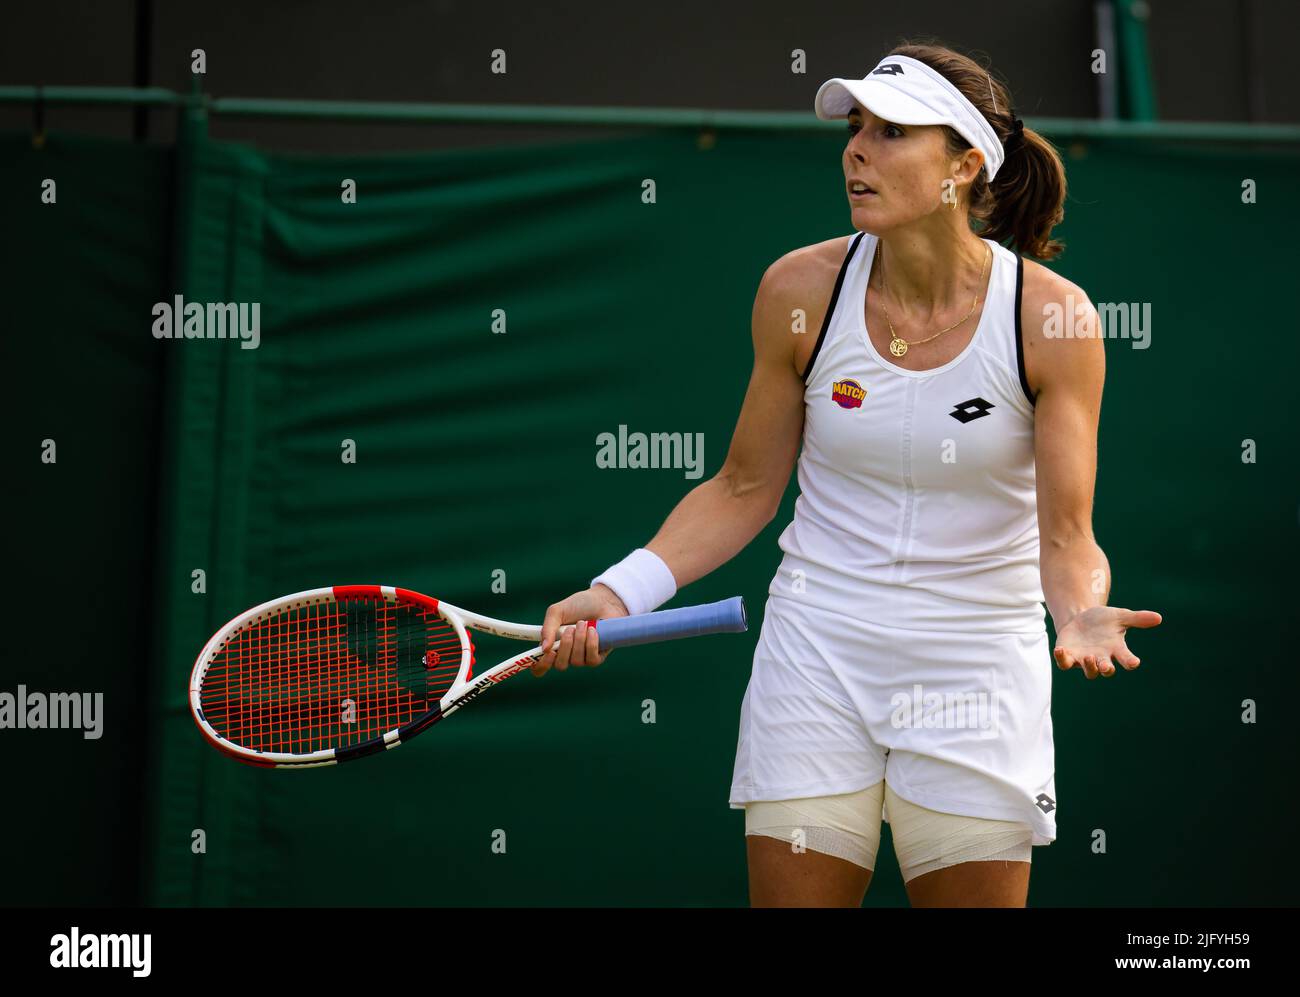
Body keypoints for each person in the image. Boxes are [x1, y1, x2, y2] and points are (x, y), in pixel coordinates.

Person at [533, 41, 1161, 907]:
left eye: (892, 132)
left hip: (976, 663)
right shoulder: (798, 289)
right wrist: (622, 590)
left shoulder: (1055, 318)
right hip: (817, 654)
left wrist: (1083, 608)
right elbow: (744, 487)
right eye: (856, 127)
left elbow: (1067, 534)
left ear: (963, 165)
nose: (856, 149)